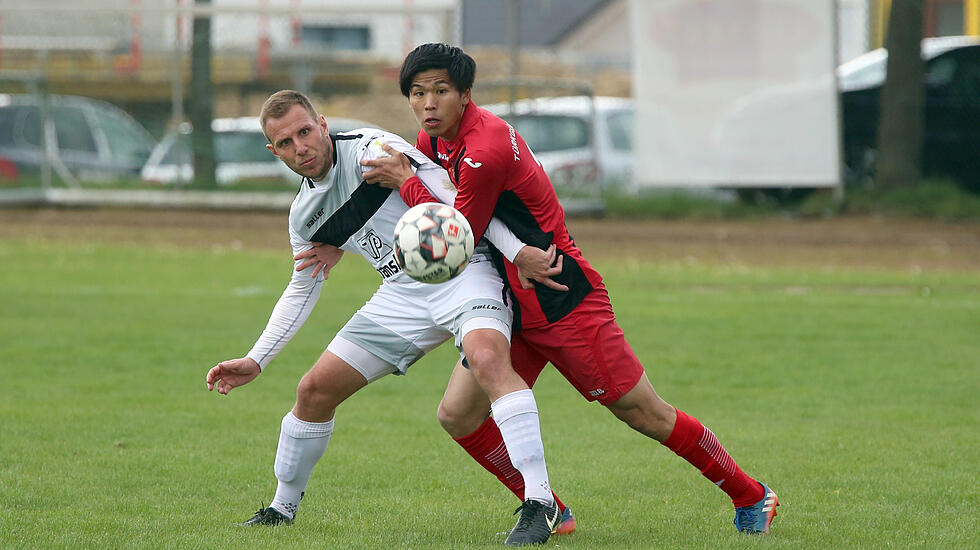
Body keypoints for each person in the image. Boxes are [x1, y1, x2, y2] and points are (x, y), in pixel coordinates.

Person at [357, 43, 780, 535]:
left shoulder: (485, 146)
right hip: (510, 297)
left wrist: (407, 182)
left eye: (441, 91)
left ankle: (752, 495)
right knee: (459, 413)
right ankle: (547, 507)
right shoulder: (435, 143)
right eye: (417, 92)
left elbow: (457, 230)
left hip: (560, 295)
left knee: (644, 413)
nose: (428, 104)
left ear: (466, 94)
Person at [205, 89, 565, 546]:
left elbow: (461, 199)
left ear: (321, 123)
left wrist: (516, 254)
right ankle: (282, 507)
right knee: (313, 391)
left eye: (304, 132)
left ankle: (540, 503)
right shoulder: (304, 216)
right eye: (286, 143)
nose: (301, 148)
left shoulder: (373, 152)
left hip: (465, 272)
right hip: (402, 296)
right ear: (273, 151)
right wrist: (256, 360)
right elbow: (302, 286)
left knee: (490, 361)